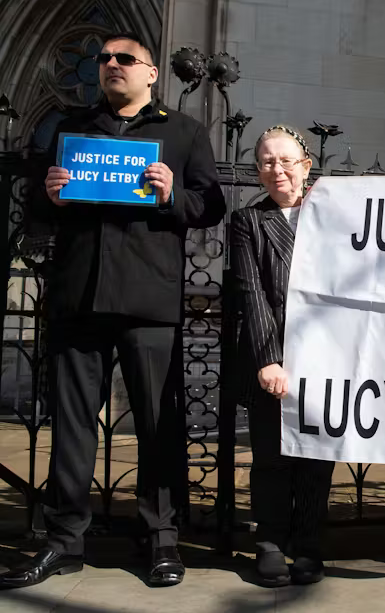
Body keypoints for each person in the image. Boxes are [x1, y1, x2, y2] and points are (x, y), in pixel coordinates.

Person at [0, 32, 225, 589]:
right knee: (73, 427)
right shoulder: (69, 131)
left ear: (152, 73)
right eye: (103, 59)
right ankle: (64, 540)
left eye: (124, 59)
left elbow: (212, 206)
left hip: (148, 301)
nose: (110, 66)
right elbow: (34, 212)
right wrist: (47, 196)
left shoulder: (184, 132)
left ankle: (161, 540)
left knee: (157, 426)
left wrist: (173, 193)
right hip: (80, 297)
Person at [229, 125, 335, 588]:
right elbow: (251, 294)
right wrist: (269, 359)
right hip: (272, 357)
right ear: (258, 172)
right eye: (268, 162)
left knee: (317, 458)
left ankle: (308, 545)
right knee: (271, 458)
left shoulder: (336, 216)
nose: (278, 170)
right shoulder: (248, 221)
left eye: (287, 160)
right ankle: (270, 541)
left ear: (306, 166)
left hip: (328, 358)